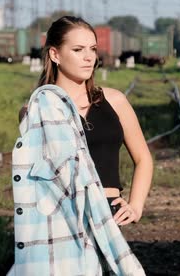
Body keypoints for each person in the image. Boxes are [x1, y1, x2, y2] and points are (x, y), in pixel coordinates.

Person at [9, 16, 153, 275]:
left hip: (108, 216)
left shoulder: (115, 101)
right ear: (55, 54)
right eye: (78, 50)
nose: (89, 57)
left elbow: (143, 158)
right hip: (64, 220)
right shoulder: (37, 111)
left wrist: (136, 205)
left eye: (93, 49)